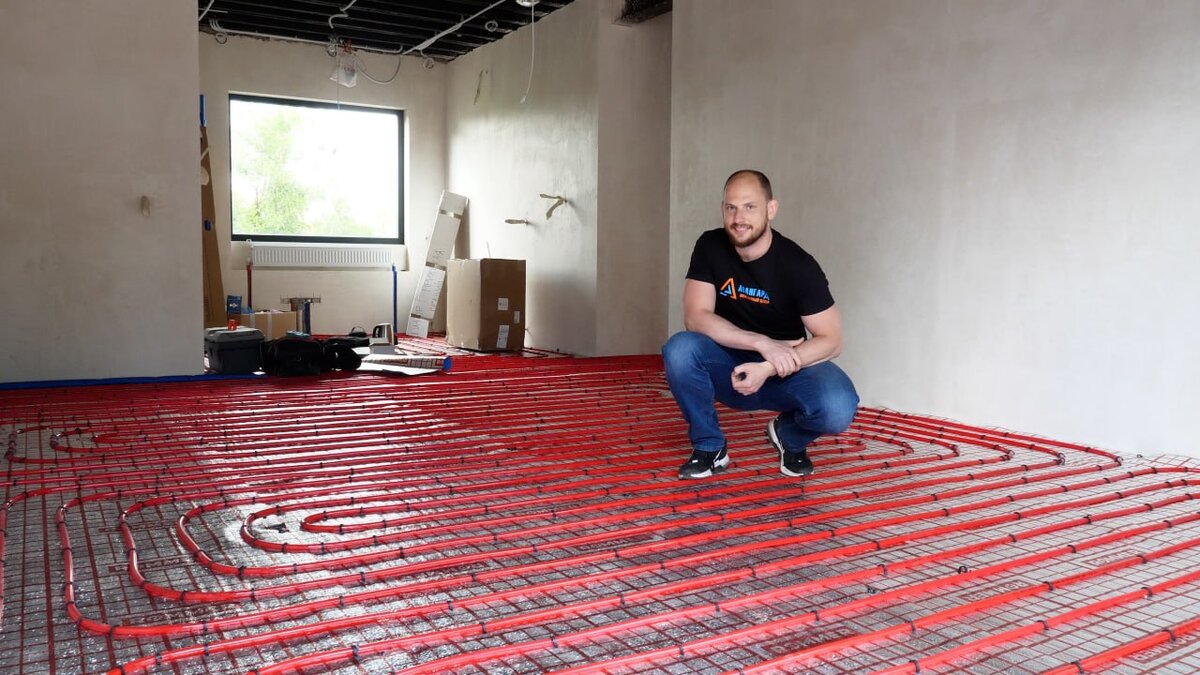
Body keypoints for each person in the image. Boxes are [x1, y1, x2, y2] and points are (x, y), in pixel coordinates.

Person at [662, 169, 859, 479]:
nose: (738, 218)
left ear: (771, 209)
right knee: (680, 350)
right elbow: (695, 316)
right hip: (729, 365)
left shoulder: (799, 266)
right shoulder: (710, 246)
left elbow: (832, 340)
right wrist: (760, 343)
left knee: (838, 407)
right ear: (722, 209)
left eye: (749, 207)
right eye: (731, 207)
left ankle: (789, 436)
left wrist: (769, 365)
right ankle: (710, 446)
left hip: (786, 370)